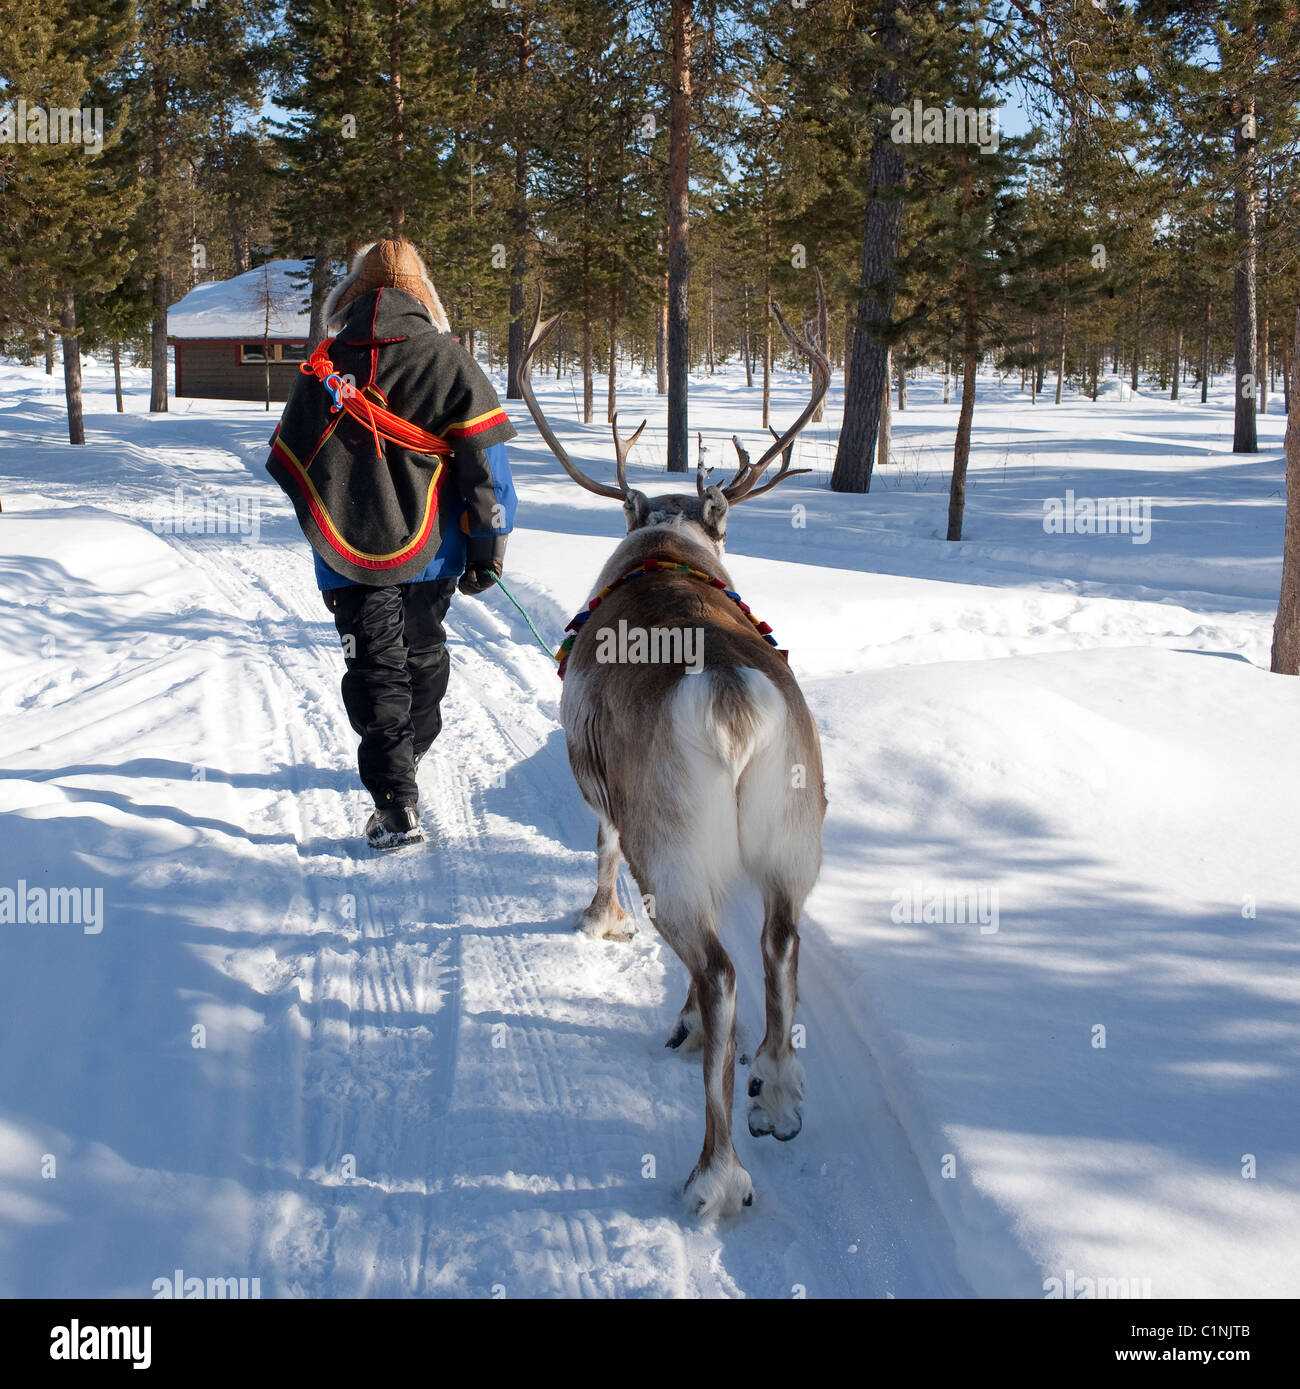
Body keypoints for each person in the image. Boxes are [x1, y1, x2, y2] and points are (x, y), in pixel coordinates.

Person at [266, 238, 517, 849]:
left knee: (375, 668)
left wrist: (333, 515)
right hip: (432, 550)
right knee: (423, 657)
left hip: (346, 557)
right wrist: (487, 543)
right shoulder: (448, 358)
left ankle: (393, 791)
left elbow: (291, 457)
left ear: (350, 295)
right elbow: (487, 466)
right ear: (422, 294)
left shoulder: (323, 364)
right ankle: (403, 770)